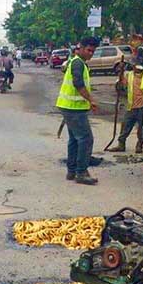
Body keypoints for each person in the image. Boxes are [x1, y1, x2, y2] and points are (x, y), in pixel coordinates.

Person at [55, 36, 100, 185]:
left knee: (75, 139)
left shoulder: (78, 62)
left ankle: (72, 171)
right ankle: (81, 172)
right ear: (80, 48)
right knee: (86, 139)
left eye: (93, 51)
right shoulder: (77, 63)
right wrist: (91, 100)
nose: (90, 54)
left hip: (71, 106)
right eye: (88, 50)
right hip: (73, 108)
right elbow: (78, 84)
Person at [108, 58, 143, 153]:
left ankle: (139, 145)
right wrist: (121, 72)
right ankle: (121, 144)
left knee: (141, 128)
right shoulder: (130, 75)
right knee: (125, 125)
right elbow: (122, 84)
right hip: (132, 106)